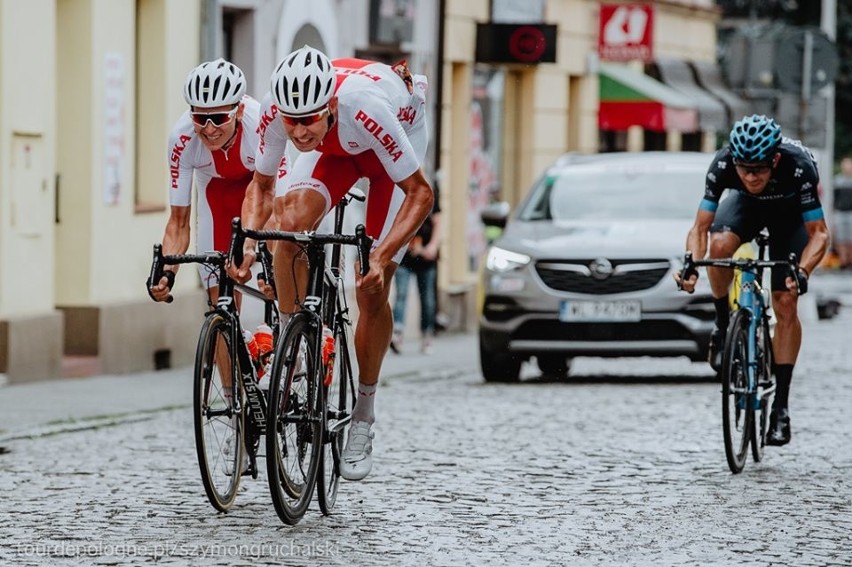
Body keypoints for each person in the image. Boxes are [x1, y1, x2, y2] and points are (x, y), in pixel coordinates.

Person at [230, 46, 434, 481]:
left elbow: (421, 194)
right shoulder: (277, 110)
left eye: (309, 120)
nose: (299, 132)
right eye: (292, 120)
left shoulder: (364, 107)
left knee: (370, 287)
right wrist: (247, 242)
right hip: (337, 154)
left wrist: (379, 257)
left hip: (390, 154)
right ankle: (294, 339)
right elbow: (261, 188)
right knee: (287, 227)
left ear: (331, 106)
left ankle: (363, 412)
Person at [674, 114, 829, 447]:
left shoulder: (799, 165)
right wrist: (690, 265)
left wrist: (802, 272)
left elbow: (819, 234)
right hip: (745, 208)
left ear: (774, 159)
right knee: (718, 246)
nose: (751, 176)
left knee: (785, 301)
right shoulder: (723, 164)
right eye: (744, 168)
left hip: (790, 216)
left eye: (759, 168)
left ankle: (781, 409)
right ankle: (721, 323)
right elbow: (700, 228)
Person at [147, 58, 266, 476]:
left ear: (237, 109)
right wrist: (167, 272)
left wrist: (255, 250)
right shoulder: (183, 138)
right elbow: (179, 221)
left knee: (278, 270)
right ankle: (236, 409)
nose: (209, 127)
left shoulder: (262, 125)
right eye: (200, 116)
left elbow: (272, 197)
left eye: (218, 116)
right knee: (220, 303)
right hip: (216, 194)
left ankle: (292, 349)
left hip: (262, 191)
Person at [390, 185, 441, 355]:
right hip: (405, 255)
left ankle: (427, 335)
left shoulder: (430, 190)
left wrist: (432, 247)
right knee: (401, 294)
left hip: (425, 257)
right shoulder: (401, 188)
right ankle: (397, 333)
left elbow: (438, 221)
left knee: (427, 298)